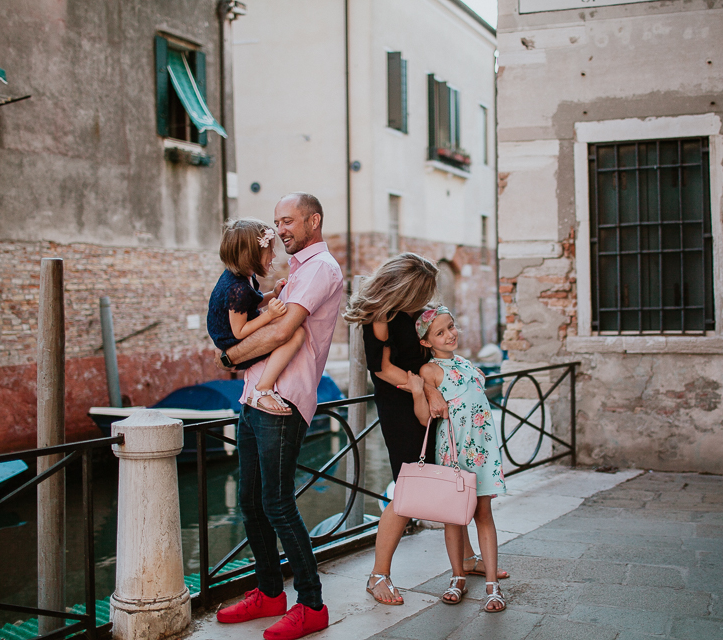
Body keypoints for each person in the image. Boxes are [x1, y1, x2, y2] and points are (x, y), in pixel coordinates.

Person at [343, 254, 507, 607]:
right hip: (402, 405)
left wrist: (435, 387)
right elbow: (384, 369)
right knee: (408, 489)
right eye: (423, 291)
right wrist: (428, 390)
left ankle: (464, 560)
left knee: (454, 478)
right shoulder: (380, 318)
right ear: (405, 288)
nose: (426, 298)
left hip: (432, 394)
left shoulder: (411, 311)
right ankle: (378, 575)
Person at [215, 193, 342, 640]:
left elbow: (284, 330)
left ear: (314, 220)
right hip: (254, 398)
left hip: (283, 401)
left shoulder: (322, 268)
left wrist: (229, 355)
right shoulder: (298, 269)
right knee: (250, 501)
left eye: (288, 220)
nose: (281, 229)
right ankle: (270, 594)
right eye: (276, 222)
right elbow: (268, 325)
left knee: (278, 504)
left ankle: (311, 604)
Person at [411, 305, 507, 613]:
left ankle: (492, 584)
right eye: (440, 332)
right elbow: (425, 417)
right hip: (452, 452)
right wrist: (421, 390)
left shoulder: (467, 364)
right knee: (453, 518)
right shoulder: (430, 371)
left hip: (481, 451)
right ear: (426, 342)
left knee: (484, 514)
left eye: (451, 327)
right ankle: (457, 576)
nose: (450, 334)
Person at [206, 218, 305, 415]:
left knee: (288, 324)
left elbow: (249, 305)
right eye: (269, 252)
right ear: (251, 256)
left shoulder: (246, 277)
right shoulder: (237, 288)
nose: (273, 256)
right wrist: (269, 315)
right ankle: (262, 389)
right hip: (231, 341)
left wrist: (273, 295)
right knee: (296, 334)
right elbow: (240, 331)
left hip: (237, 331)